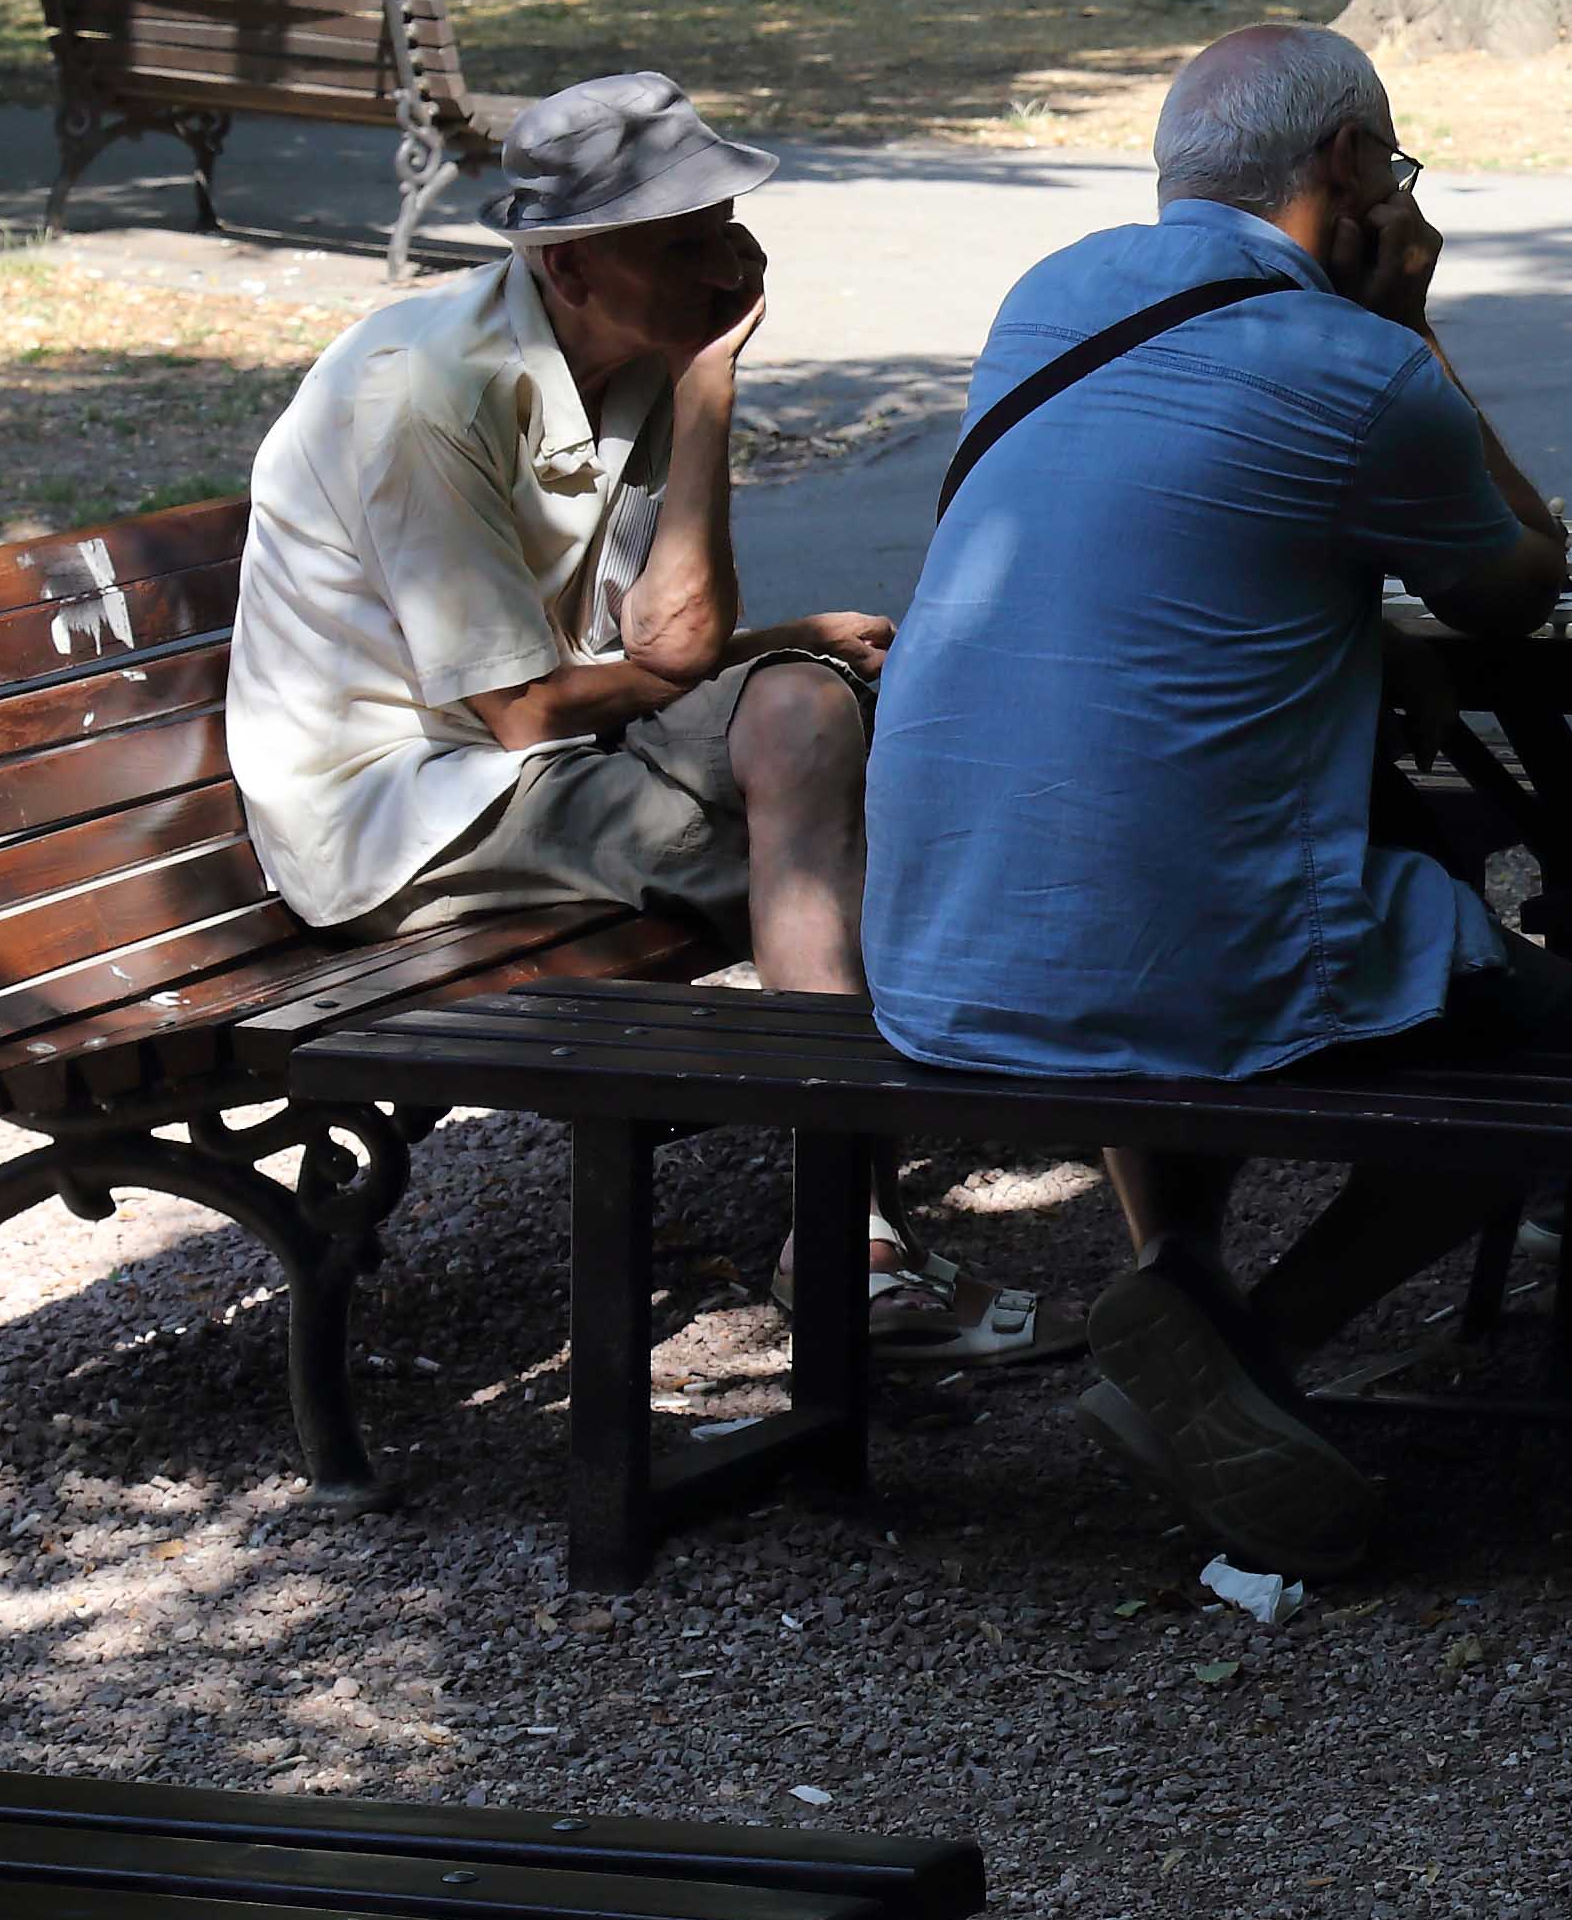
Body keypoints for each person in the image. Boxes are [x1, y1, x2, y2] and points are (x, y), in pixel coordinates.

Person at [865, 23, 1572, 1576]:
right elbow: (1519, 593)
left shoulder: (1047, 296)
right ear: (1346, 170)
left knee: (1214, 867)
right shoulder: (1357, 365)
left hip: (938, 954)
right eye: (1392, 167)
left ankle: (1178, 1282)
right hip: (1154, 954)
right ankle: (1243, 1347)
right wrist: (1416, 323)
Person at [224, 73, 1040, 1365]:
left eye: (723, 227)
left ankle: (848, 1229)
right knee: (844, 782)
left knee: (824, 718)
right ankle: (848, 1248)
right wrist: (713, 389)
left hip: (528, 758)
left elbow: (666, 639)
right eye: (686, 246)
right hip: (406, 811)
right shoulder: (423, 394)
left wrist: (707, 405)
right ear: (567, 264)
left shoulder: (632, 360)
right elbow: (525, 704)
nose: (730, 267)